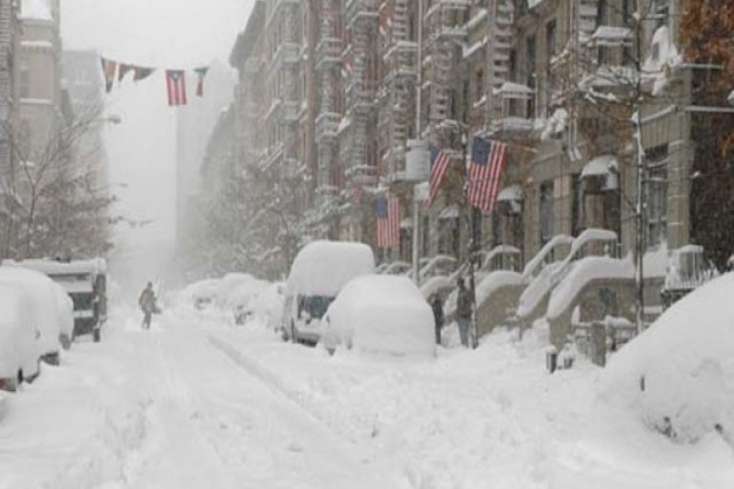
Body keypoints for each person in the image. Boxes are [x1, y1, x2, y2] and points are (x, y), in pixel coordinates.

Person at [456, 277, 473, 347]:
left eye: (459, 283)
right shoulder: (460, 292)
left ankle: (465, 347)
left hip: (465, 315)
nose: (459, 285)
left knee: (464, 333)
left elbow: (465, 304)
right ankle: (464, 346)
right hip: (462, 315)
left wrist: (462, 311)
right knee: (463, 333)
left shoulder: (465, 293)